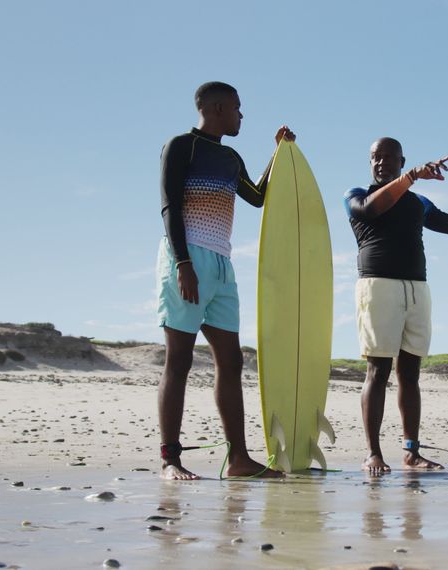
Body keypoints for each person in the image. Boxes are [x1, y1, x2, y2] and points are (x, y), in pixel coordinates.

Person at [156, 81, 294, 480]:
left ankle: (238, 459)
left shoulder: (231, 157)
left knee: (230, 362)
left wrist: (278, 152)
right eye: (237, 108)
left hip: (222, 264)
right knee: (178, 360)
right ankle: (170, 460)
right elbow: (168, 206)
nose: (241, 116)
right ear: (216, 107)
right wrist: (182, 262)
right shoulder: (182, 147)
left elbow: (257, 196)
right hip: (187, 258)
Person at [344, 136, 448, 475]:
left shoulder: (418, 203)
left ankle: (411, 451)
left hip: (417, 289)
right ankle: (373, 453)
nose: (382, 162)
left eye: (390, 157)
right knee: (378, 371)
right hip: (378, 287)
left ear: (402, 160)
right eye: (376, 157)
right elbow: (371, 210)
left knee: (410, 374)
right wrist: (412, 176)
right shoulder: (356, 196)